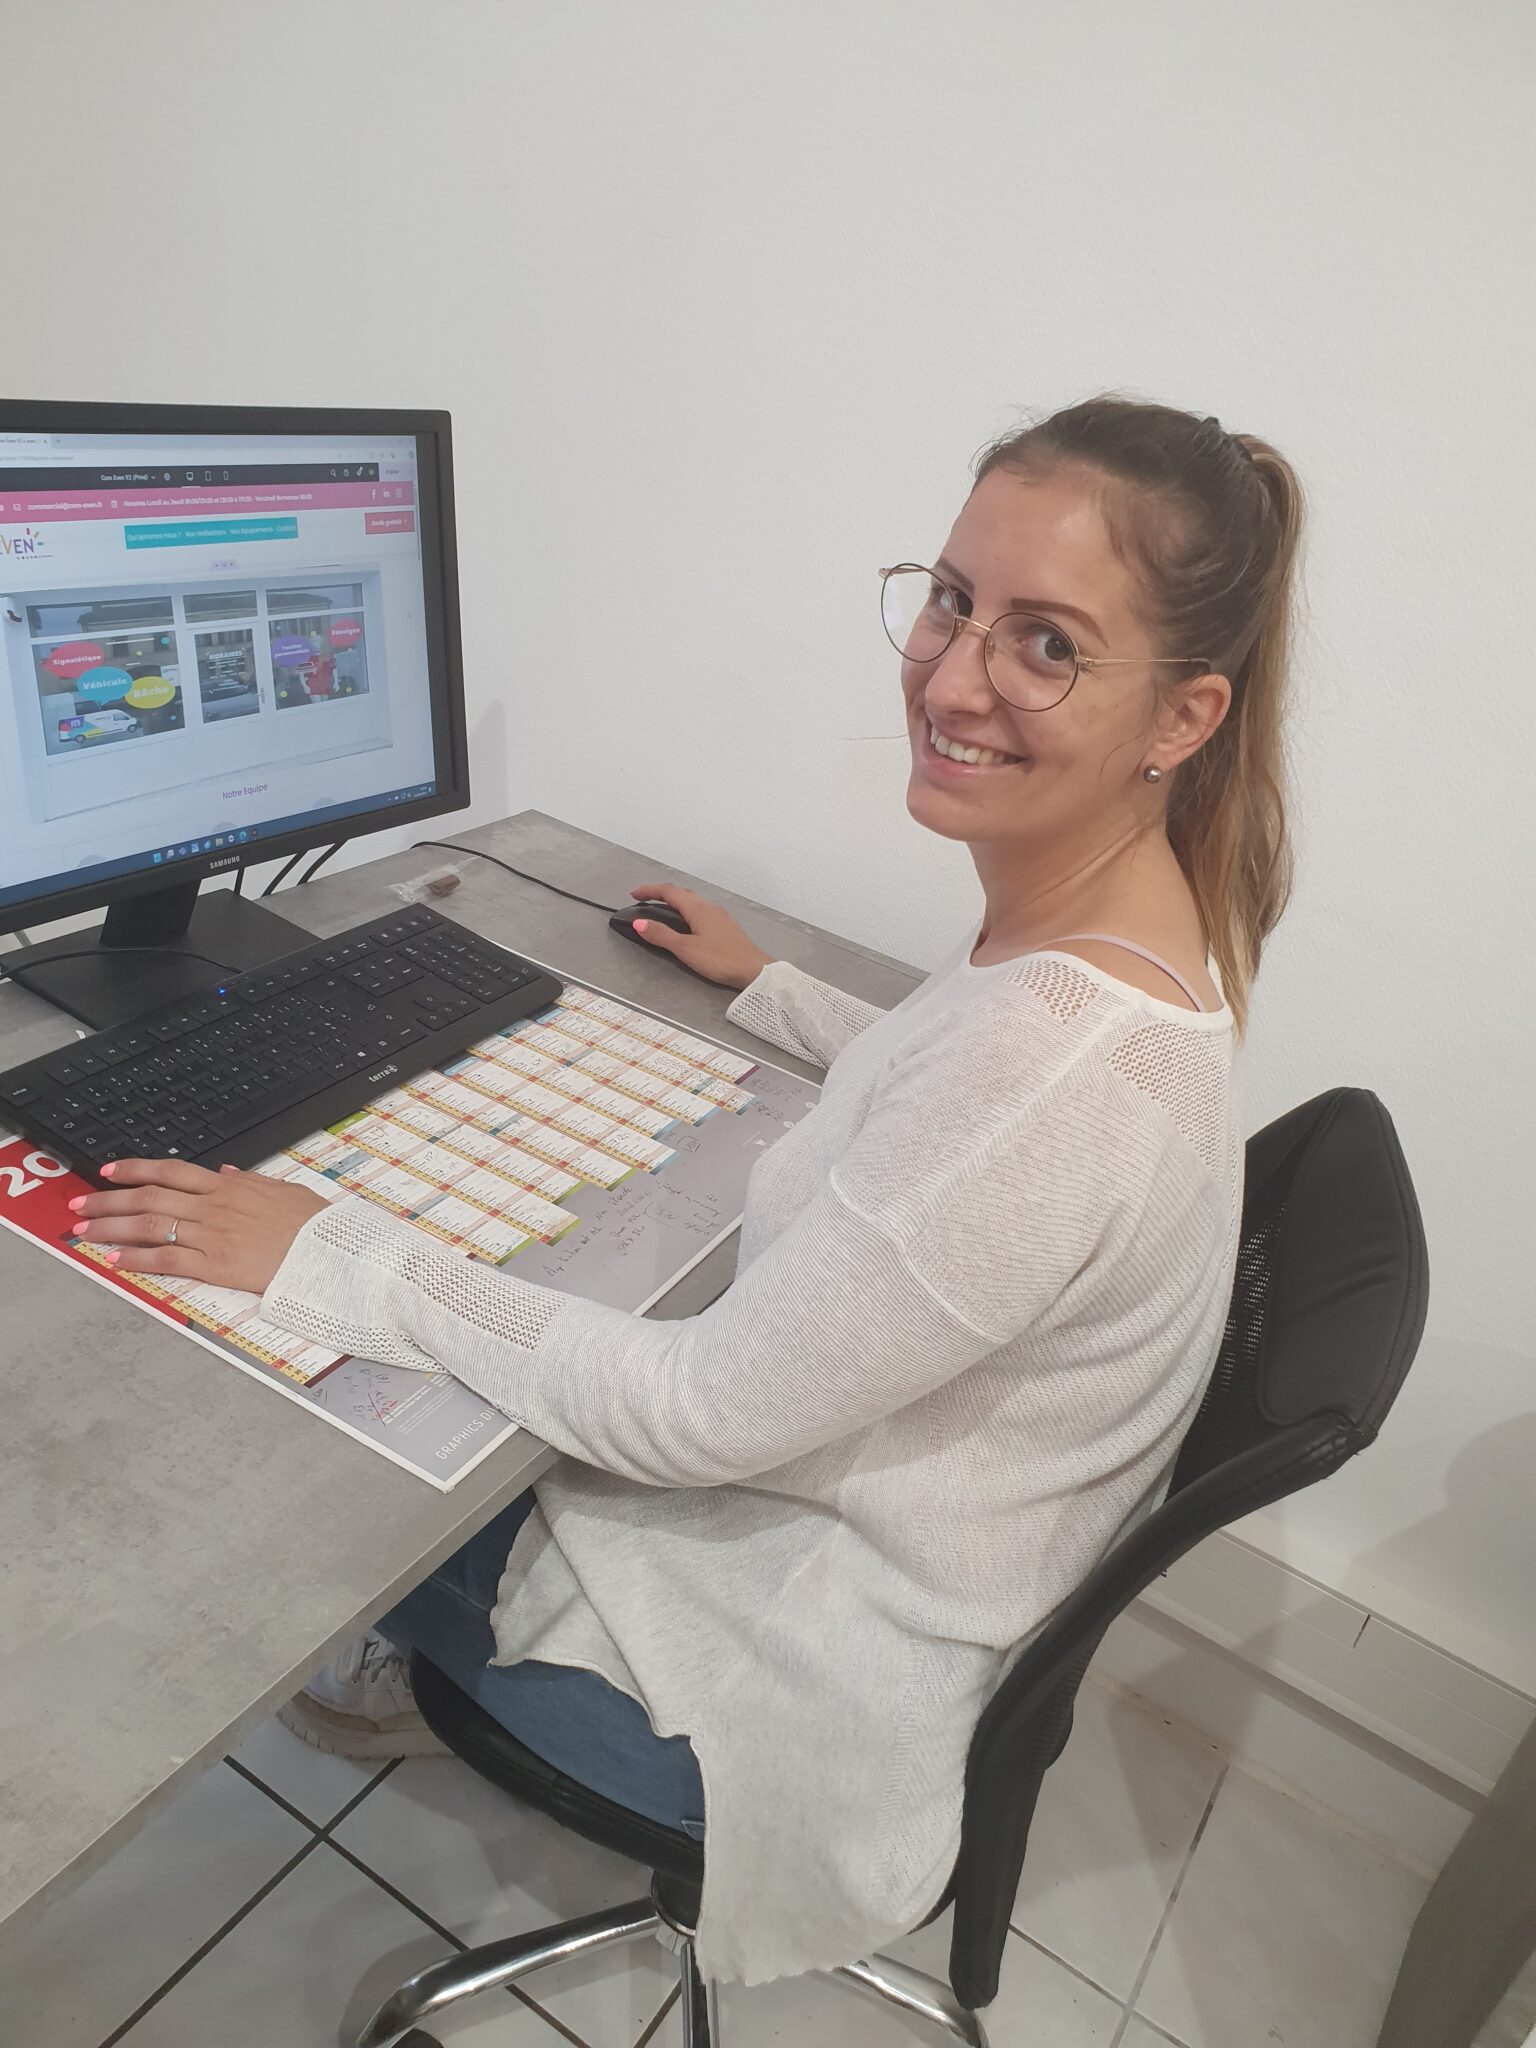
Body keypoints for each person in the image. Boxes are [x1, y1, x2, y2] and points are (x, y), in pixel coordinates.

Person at [68, 395, 1302, 1987]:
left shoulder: (1050, 1082)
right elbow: (948, 1078)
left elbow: (700, 1413)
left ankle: (463, 1679)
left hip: (787, 1685)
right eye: (951, 600)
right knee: (496, 1326)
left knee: (312, 1457)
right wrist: (773, 986)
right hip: (904, 1573)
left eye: (1049, 645)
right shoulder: (1121, 936)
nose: (951, 678)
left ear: (1184, 717)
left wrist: (347, 1252)